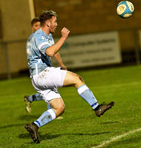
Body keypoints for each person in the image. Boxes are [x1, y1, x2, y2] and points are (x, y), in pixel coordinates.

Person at [25, 10, 114, 143]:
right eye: (55, 22)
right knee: (77, 79)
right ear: (48, 23)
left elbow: (51, 50)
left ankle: (34, 125)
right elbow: (50, 52)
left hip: (37, 78)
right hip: (42, 74)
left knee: (59, 108)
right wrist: (64, 37)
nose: (56, 24)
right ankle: (97, 108)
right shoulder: (39, 36)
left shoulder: (43, 36)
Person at [24, 17, 66, 119]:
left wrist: (61, 63)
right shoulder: (32, 39)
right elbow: (30, 55)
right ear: (32, 27)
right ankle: (52, 111)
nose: (38, 27)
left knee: (50, 89)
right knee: (50, 88)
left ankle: (30, 98)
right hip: (37, 69)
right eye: (36, 26)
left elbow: (53, 50)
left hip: (46, 66)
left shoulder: (47, 36)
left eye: (39, 25)